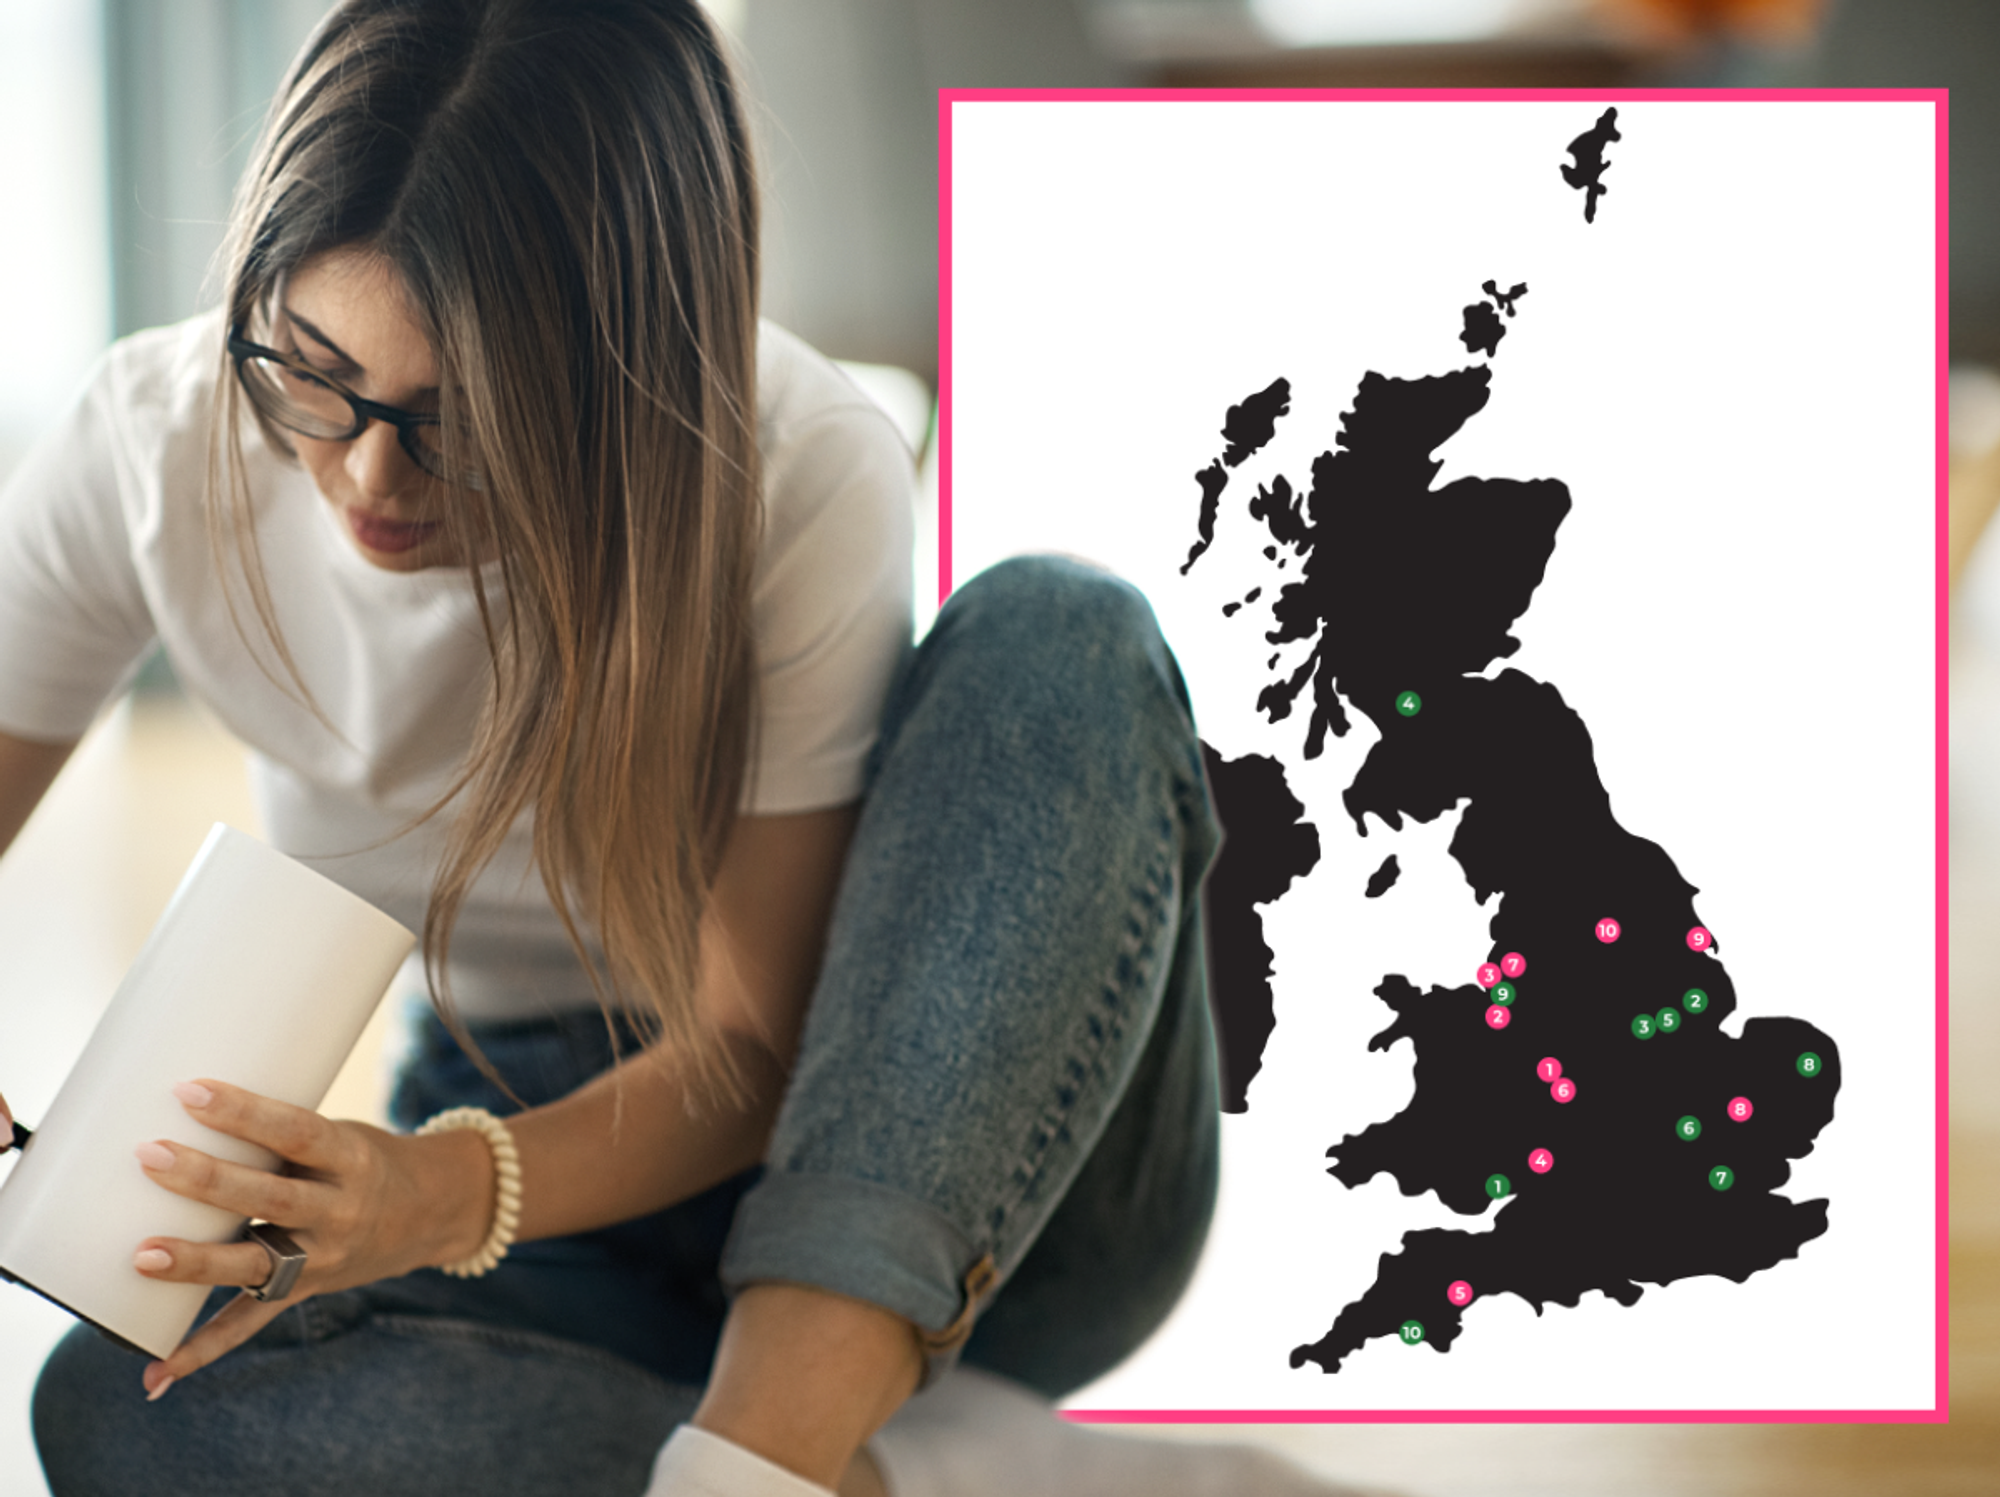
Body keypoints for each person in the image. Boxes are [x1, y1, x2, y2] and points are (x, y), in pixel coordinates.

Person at [0, 3, 1366, 1493]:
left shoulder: (792, 464)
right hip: (547, 1201)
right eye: (312, 373)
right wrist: (411, 1195)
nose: (370, 475)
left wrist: (443, 1191)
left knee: (1065, 628)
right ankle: (902, 1471)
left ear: (626, 367)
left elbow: (749, 1049)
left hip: (948, 1158)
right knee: (120, 1400)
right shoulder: (152, 440)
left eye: (468, 419)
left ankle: (781, 1431)